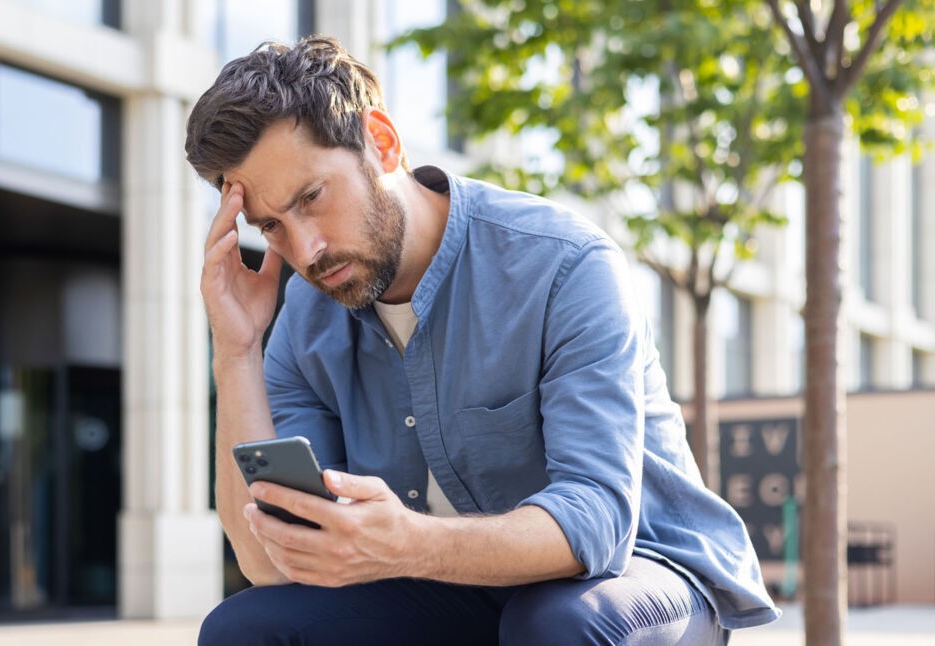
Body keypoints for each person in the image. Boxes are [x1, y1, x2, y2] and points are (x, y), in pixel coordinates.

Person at [188, 36, 779, 645]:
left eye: (312, 198)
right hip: (447, 587)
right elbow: (269, 564)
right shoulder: (307, 316)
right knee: (245, 628)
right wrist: (236, 351)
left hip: (640, 574)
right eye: (272, 227)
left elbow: (598, 523)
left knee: (553, 626)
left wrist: (404, 541)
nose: (304, 250)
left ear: (382, 144)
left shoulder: (564, 265)